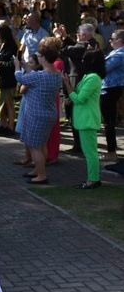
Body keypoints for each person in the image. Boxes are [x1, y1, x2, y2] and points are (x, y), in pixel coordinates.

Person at [14, 39, 63, 185]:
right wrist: (26, 67)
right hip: (49, 113)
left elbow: (20, 78)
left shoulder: (41, 76)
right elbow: (34, 77)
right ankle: (38, 170)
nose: (39, 58)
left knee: (35, 147)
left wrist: (17, 66)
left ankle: (41, 175)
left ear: (45, 58)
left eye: (40, 56)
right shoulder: (56, 74)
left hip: (36, 114)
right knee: (42, 145)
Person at [63, 50, 105, 189]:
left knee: (90, 153)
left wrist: (68, 85)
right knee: (89, 152)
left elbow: (80, 99)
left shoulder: (93, 78)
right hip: (83, 119)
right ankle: (93, 178)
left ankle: (93, 180)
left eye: (84, 60)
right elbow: (79, 95)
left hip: (88, 120)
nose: (81, 63)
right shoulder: (88, 76)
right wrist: (71, 98)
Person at [0, 24, 19, 136]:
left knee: (8, 103)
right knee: (0, 104)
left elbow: (12, 63)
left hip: (8, 79)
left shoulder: (11, 46)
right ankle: (3, 125)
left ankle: (11, 127)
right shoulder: (1, 45)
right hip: (0, 77)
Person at [102, 30, 124, 162]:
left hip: (110, 89)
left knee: (109, 120)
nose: (110, 41)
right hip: (110, 87)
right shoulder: (116, 52)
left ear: (120, 41)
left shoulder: (120, 54)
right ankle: (111, 149)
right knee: (108, 120)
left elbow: (103, 68)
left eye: (113, 39)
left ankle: (111, 151)